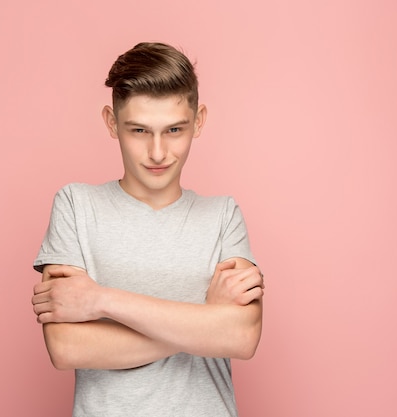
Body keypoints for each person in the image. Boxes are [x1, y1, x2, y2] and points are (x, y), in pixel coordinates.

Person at [31, 42, 264, 417]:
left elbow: (242, 336)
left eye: (174, 129)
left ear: (199, 121)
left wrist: (100, 300)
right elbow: (67, 347)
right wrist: (205, 322)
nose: (158, 152)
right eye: (139, 130)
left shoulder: (223, 215)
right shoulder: (76, 206)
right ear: (111, 122)